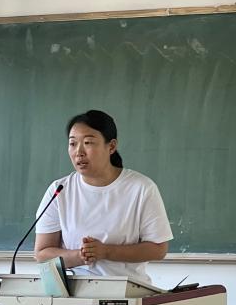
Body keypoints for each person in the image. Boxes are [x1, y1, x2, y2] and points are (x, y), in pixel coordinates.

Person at [34, 110, 172, 285]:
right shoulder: (59, 190)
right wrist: (81, 255)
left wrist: (106, 251)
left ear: (111, 146)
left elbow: (158, 249)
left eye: (88, 143)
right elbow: (42, 254)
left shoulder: (141, 188)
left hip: (128, 291)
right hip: (74, 292)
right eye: (73, 143)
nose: (79, 152)